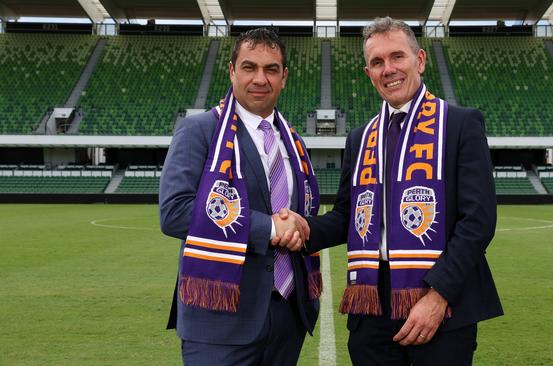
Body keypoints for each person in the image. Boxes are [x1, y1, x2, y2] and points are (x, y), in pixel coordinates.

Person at [278, 17, 503, 365]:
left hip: (441, 298)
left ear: (420, 60)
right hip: (372, 302)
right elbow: (346, 217)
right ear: (368, 72)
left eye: (397, 57)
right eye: (377, 62)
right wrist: (304, 227)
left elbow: (478, 221)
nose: (389, 69)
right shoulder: (360, 137)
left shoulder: (459, 123)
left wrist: (439, 294)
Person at [159, 28, 320, 366]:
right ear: (232, 71)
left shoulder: (293, 141)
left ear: (284, 77)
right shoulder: (200, 130)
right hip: (220, 322)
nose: (260, 78)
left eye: (271, 69)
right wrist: (270, 229)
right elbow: (175, 212)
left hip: (287, 317)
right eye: (249, 67)